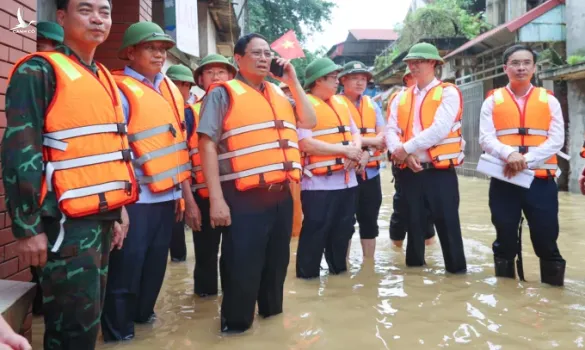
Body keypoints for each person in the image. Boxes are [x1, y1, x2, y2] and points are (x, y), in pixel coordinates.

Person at [2, 0, 136, 348]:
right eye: (85, 10)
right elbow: (20, 150)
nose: (97, 19)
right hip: (63, 224)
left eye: (104, 12)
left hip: (100, 219)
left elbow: (106, 151)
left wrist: (118, 210)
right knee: (71, 331)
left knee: (87, 325)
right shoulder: (38, 70)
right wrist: (26, 227)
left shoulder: (103, 76)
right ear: (61, 17)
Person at [197, 33, 316, 333]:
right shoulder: (222, 93)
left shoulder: (279, 92)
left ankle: (272, 327)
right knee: (241, 269)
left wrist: (292, 80)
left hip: (280, 196)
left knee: (276, 269)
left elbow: (310, 120)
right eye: (257, 53)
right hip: (242, 197)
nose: (264, 59)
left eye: (267, 54)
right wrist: (216, 200)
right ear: (238, 59)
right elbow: (206, 144)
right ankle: (236, 330)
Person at [101, 22, 199, 341]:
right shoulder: (117, 89)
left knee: (155, 271)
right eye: (150, 48)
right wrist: (119, 206)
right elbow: (110, 150)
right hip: (136, 200)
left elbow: (177, 146)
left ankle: (143, 328)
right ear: (130, 52)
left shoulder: (169, 88)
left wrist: (184, 198)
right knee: (125, 273)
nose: (159, 54)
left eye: (162, 49)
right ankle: (118, 335)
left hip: (166, 197)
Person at [479, 44, 566, 286]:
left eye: (526, 63)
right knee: (504, 239)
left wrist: (523, 160)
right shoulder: (492, 100)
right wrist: (509, 154)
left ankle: (553, 297)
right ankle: (507, 298)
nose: (521, 67)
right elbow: (485, 138)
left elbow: (557, 139)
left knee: (546, 239)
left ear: (534, 67)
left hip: (541, 180)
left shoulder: (549, 100)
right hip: (504, 180)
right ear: (505, 68)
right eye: (515, 63)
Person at [386, 42, 467, 274]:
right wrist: (400, 152)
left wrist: (404, 149)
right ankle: (415, 284)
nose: (413, 66)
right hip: (409, 171)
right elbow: (391, 130)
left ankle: (457, 278)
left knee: (449, 227)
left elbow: (439, 129)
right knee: (414, 229)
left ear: (433, 63)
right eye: (411, 62)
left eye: (419, 61)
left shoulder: (448, 92)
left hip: (439, 173)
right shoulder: (400, 96)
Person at [170, 55, 237, 297]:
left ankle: (233, 301)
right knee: (206, 258)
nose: (217, 76)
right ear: (199, 80)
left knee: (236, 256)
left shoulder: (242, 107)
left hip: (238, 195)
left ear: (231, 77)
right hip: (203, 196)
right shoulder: (189, 114)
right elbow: (180, 160)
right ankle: (205, 306)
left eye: (222, 71)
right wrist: (189, 203)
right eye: (211, 72)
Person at [296, 57, 364, 278]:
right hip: (318, 186)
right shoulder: (304, 105)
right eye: (333, 78)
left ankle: (339, 280)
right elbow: (304, 143)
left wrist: (356, 151)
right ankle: (308, 280)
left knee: (343, 233)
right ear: (318, 81)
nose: (337, 82)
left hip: (347, 183)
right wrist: (344, 151)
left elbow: (355, 133)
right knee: (315, 233)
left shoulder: (341, 103)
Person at [29, 20, 66, 318]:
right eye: (41, 46)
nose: (46, 53)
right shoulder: (31, 75)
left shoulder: (61, 81)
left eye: (51, 47)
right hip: (39, 196)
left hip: (61, 197)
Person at [337, 61, 386, 259]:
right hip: (344, 175)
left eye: (363, 79)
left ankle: (369, 267)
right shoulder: (335, 103)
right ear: (343, 80)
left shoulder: (372, 104)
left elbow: (383, 138)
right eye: (355, 78)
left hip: (371, 173)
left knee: (369, 221)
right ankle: (343, 265)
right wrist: (368, 143)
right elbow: (339, 138)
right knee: (344, 222)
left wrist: (369, 153)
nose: (360, 82)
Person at [388, 68, 436, 248]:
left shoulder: (436, 97)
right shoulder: (399, 99)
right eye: (410, 77)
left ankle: (429, 245)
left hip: (430, 161)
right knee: (402, 206)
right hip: (402, 161)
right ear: (406, 79)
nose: (415, 79)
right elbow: (392, 132)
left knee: (428, 207)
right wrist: (405, 154)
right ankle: (397, 247)